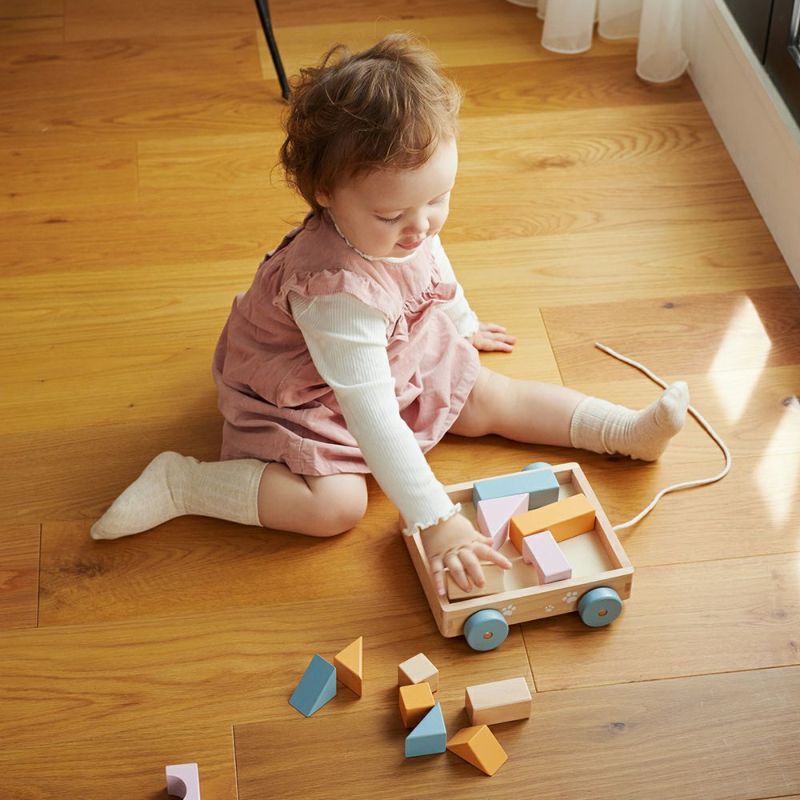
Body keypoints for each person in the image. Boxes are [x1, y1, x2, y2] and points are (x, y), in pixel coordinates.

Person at [91, 33, 689, 597]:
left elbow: (435, 263)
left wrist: (461, 322)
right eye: (391, 215)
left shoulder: (409, 218)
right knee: (335, 507)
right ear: (325, 193)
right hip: (309, 395)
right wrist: (437, 520)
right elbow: (372, 414)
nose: (421, 225)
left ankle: (622, 431)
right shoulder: (336, 297)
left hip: (392, 352)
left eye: (438, 199)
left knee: (488, 395)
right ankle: (184, 484)